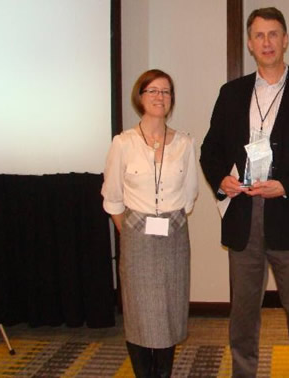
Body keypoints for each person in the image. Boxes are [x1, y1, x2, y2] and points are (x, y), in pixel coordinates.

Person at [200, 7, 289, 378]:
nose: (267, 42)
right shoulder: (231, 93)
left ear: (286, 39)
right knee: (243, 316)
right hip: (244, 217)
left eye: (273, 34)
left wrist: (287, 184)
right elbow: (210, 150)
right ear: (249, 43)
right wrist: (221, 180)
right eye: (259, 35)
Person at [101, 69, 198, 378]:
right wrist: (133, 232)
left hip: (174, 238)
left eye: (166, 92)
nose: (160, 97)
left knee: (169, 312)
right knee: (140, 314)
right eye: (153, 91)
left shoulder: (184, 143)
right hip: (137, 240)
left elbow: (189, 196)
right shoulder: (123, 143)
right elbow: (113, 198)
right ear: (140, 97)